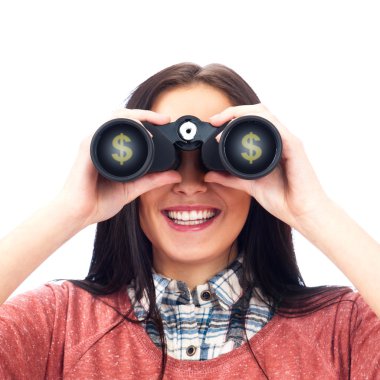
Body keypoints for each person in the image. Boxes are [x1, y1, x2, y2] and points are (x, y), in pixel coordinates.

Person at [0, 63, 379, 379]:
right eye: (162, 159)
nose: (190, 185)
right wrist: (69, 210)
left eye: (216, 156)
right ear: (126, 169)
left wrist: (312, 210)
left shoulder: (341, 331)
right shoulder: (57, 326)